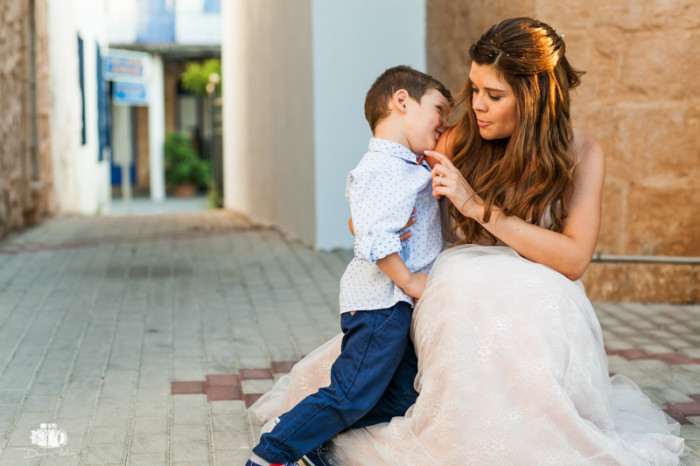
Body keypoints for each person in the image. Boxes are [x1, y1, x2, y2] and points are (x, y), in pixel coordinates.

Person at [250, 17, 687, 465]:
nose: (476, 105)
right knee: (455, 309)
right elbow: (376, 207)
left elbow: (574, 259)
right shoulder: (458, 141)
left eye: (494, 95)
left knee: (532, 330)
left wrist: (478, 206)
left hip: (543, 294)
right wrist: (372, 230)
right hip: (461, 290)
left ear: (534, 99)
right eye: (474, 89)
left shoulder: (583, 152)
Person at [246, 65, 452, 466]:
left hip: (396, 305)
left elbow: (366, 222)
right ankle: (274, 451)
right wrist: (409, 280)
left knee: (403, 396)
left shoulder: (407, 165)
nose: (444, 122)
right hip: (381, 303)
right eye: (439, 108)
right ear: (402, 101)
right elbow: (372, 236)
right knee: (350, 393)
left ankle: (310, 435)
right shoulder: (383, 167)